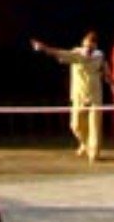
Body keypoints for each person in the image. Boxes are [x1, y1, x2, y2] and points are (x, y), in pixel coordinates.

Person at [30, 32, 104, 162]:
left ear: (95, 46)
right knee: (75, 125)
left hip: (95, 95)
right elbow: (59, 53)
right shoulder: (76, 54)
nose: (88, 50)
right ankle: (85, 144)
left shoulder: (99, 55)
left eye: (91, 47)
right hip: (79, 95)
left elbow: (104, 67)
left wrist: (111, 80)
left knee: (95, 125)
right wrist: (44, 48)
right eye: (86, 46)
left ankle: (94, 153)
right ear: (83, 44)